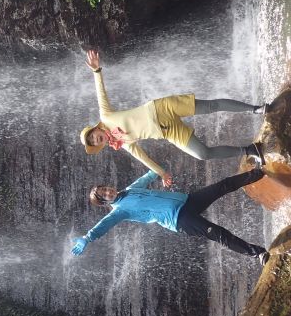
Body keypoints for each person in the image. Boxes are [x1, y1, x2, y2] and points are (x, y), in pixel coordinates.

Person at [80, 49, 268, 188]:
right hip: (168, 132)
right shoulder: (122, 143)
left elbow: (101, 94)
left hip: (162, 108)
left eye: (93, 135)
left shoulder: (106, 116)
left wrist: (97, 71)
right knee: (203, 154)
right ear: (100, 144)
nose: (96, 139)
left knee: (210, 106)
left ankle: (256, 109)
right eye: (95, 142)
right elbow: (142, 157)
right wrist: (162, 173)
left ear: (96, 129)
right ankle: (249, 150)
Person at [71, 168, 270, 264]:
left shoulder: (130, 189)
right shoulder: (120, 211)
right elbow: (104, 224)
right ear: (105, 202)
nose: (108, 192)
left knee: (223, 185)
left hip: (188, 201)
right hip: (179, 220)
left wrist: (158, 170)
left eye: (106, 189)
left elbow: (148, 175)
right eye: (104, 195)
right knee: (218, 234)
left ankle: (261, 172)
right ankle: (258, 253)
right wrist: (88, 237)